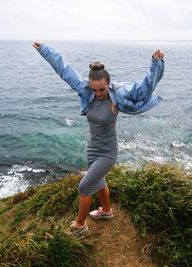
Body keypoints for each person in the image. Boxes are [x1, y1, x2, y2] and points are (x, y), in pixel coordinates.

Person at [33, 42, 164, 234]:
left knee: (84, 187)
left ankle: (80, 225)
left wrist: (156, 63)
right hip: (92, 149)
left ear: (108, 85)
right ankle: (106, 211)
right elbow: (64, 70)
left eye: (101, 89)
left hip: (108, 152)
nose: (98, 93)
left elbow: (144, 88)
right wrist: (45, 50)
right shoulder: (87, 91)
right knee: (99, 182)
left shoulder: (118, 95)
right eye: (94, 90)